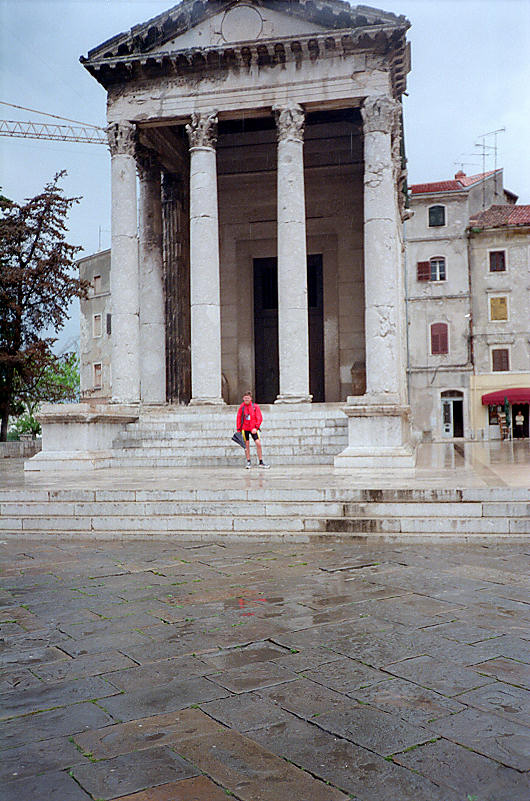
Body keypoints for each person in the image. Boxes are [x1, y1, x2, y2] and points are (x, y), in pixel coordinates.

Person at [236, 391, 270, 469]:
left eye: (248, 398)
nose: (246, 399)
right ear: (243, 398)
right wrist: (238, 429)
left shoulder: (255, 406)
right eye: (245, 398)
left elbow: (259, 417)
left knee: (258, 443)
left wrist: (256, 427)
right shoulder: (242, 407)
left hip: (253, 428)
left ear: (251, 398)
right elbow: (238, 418)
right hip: (245, 429)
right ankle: (248, 461)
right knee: (246, 445)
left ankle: (261, 461)